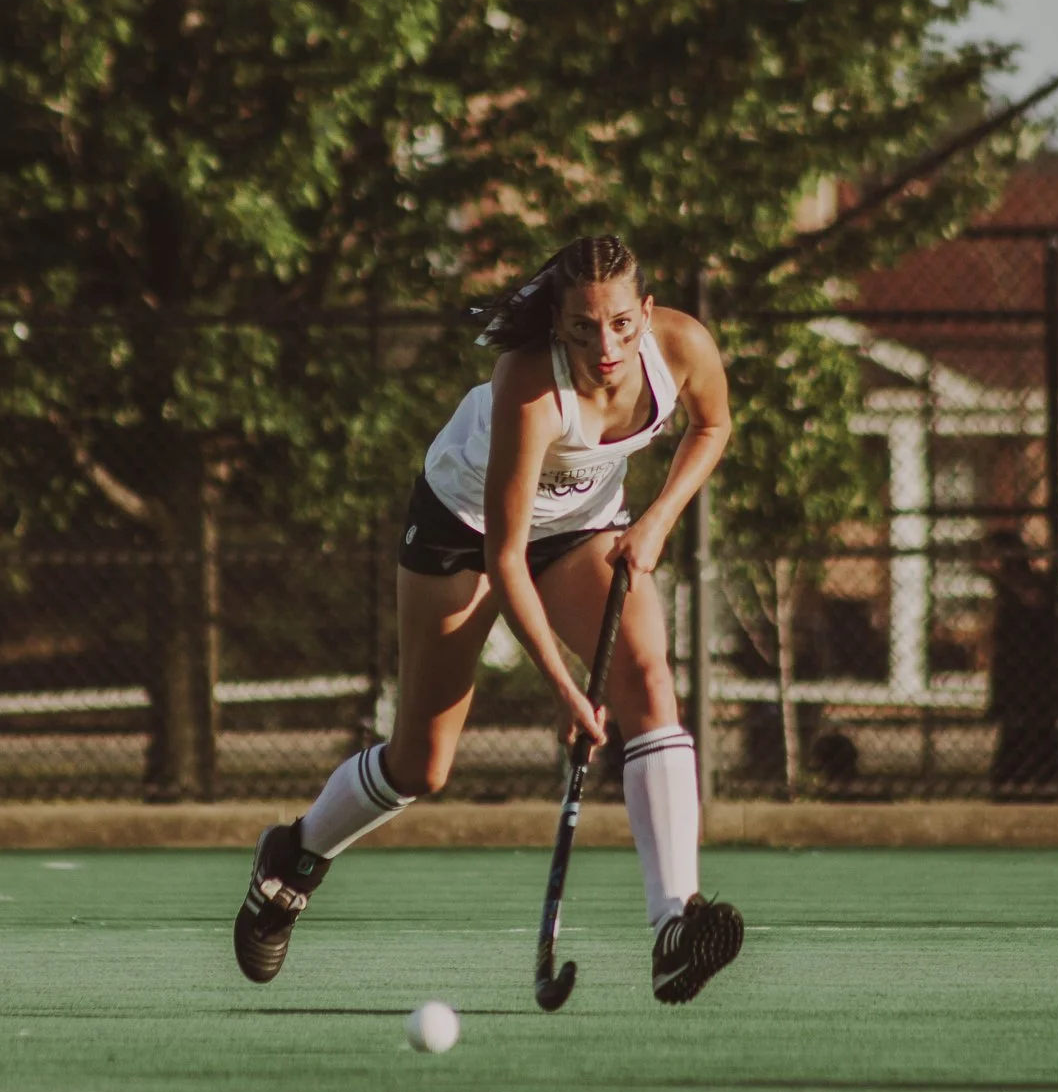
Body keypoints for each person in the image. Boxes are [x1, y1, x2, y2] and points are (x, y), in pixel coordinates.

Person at [233, 235, 743, 1004]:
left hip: (581, 525)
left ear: (645, 312)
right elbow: (506, 560)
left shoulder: (683, 346)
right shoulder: (531, 386)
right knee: (422, 765)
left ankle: (675, 923)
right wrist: (565, 692)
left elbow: (712, 427)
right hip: (465, 529)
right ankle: (293, 858)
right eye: (582, 329)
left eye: (619, 325)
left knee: (649, 682)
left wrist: (658, 520)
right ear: (557, 326)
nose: (605, 347)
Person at [984, 531, 1058, 803]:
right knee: (1015, 746)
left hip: (1037, 681)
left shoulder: (1033, 590)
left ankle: (1037, 791)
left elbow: (1036, 604)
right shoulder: (1007, 593)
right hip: (1016, 682)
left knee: (1037, 744)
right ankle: (1014, 793)